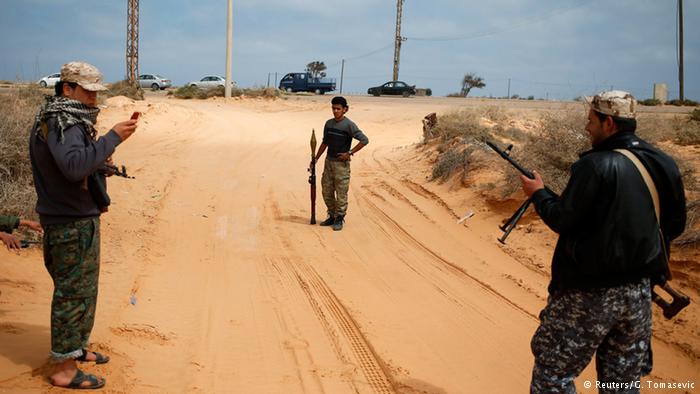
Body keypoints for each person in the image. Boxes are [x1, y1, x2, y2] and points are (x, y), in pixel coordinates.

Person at [520, 90, 687, 393]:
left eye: (591, 121)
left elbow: (562, 219)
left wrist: (539, 193)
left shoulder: (594, 165)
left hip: (588, 293)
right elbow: (674, 226)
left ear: (608, 123)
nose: (587, 127)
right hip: (639, 293)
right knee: (621, 383)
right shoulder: (664, 162)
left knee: (552, 375)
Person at [29, 61, 138, 389]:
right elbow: (73, 167)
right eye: (88, 92)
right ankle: (63, 368)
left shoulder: (64, 119)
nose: (93, 99)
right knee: (72, 295)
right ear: (67, 89)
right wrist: (111, 139)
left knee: (83, 291)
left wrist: (99, 161)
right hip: (69, 224)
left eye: (95, 92)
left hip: (74, 219)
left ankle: (75, 349)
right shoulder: (63, 122)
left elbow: (76, 164)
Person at [311, 96, 369, 231]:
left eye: (338, 109)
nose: (335, 111)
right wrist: (316, 158)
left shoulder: (349, 125)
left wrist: (349, 153)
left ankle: (339, 218)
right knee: (326, 190)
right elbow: (325, 142)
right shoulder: (329, 124)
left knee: (341, 192)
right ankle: (331, 215)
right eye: (333, 108)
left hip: (341, 166)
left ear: (345, 110)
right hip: (329, 162)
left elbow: (364, 140)